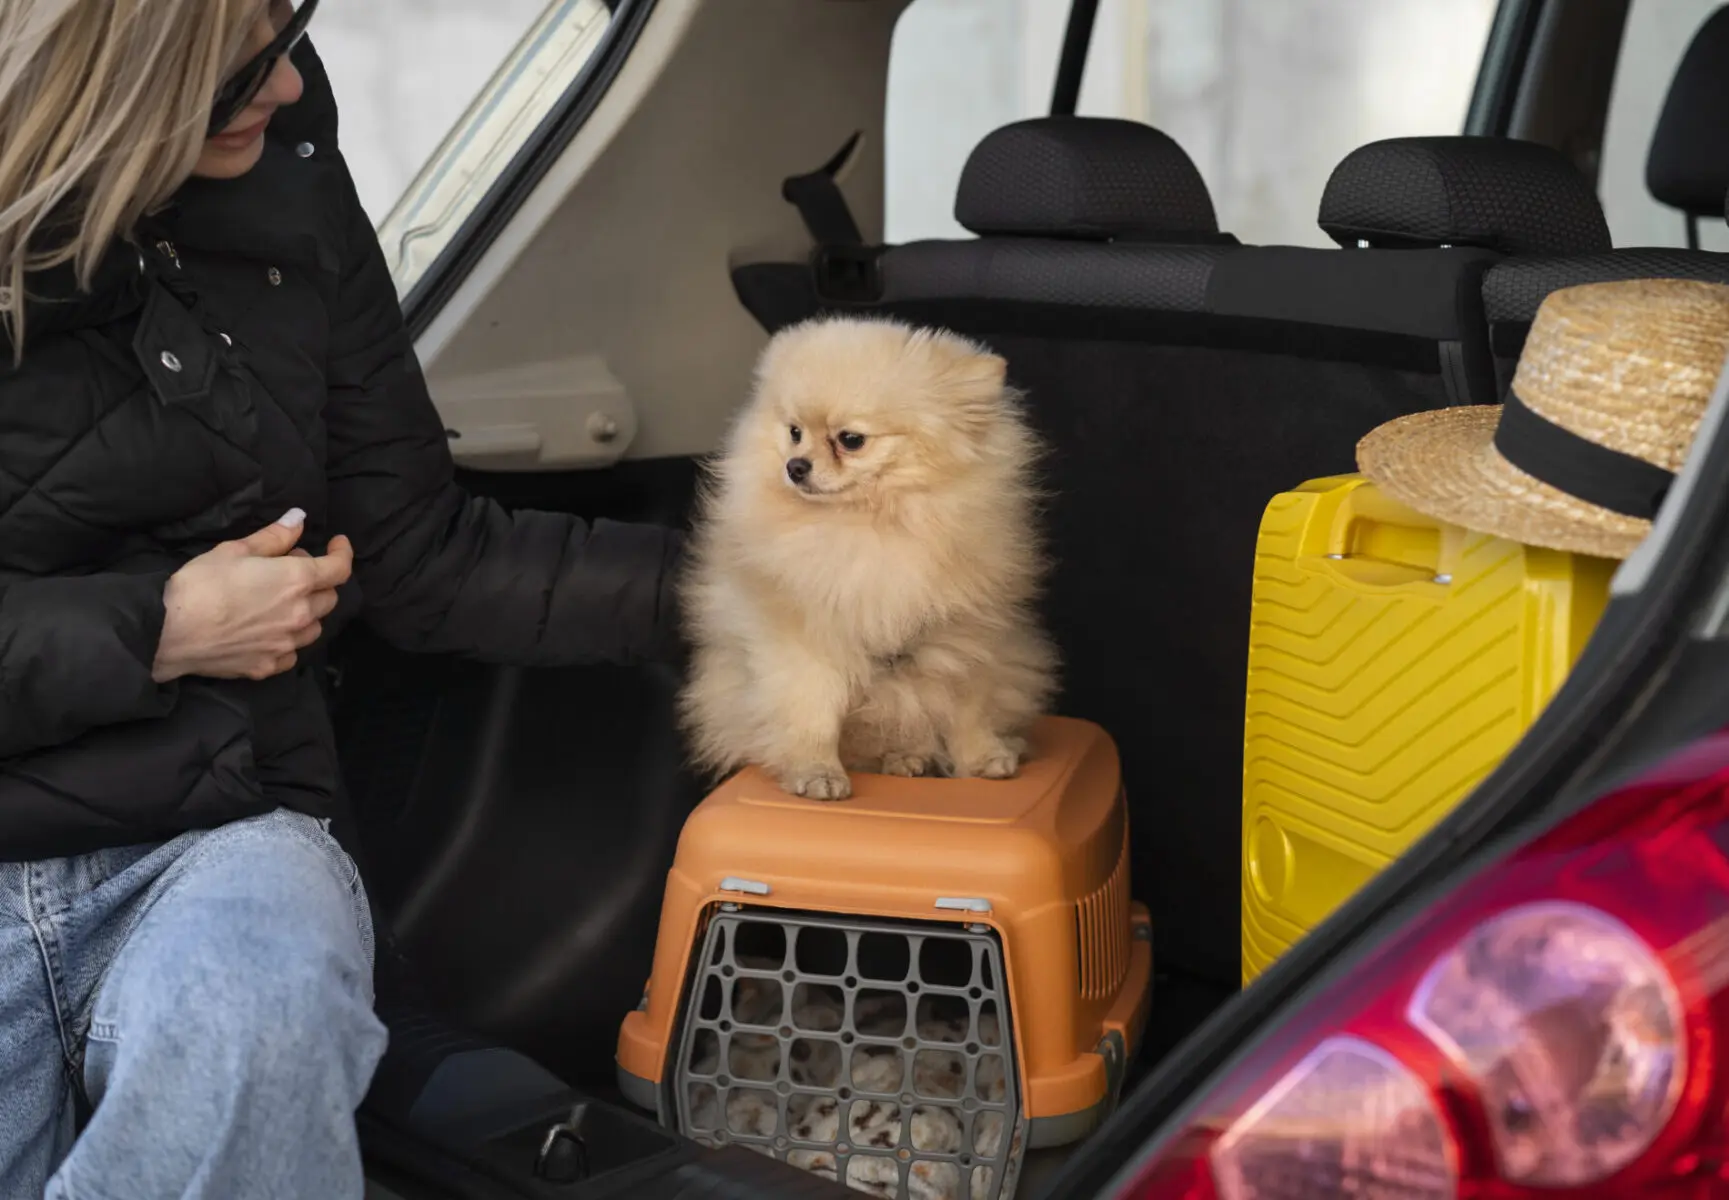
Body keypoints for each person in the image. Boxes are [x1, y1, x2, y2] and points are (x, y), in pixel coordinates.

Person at [0, 2, 684, 1196]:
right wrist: (159, 632)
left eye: (288, 28)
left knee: (267, 992)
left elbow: (421, 550)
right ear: (106, 74)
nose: (287, 88)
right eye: (239, 67)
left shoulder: (290, 174)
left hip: (215, 836)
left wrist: (758, 593)